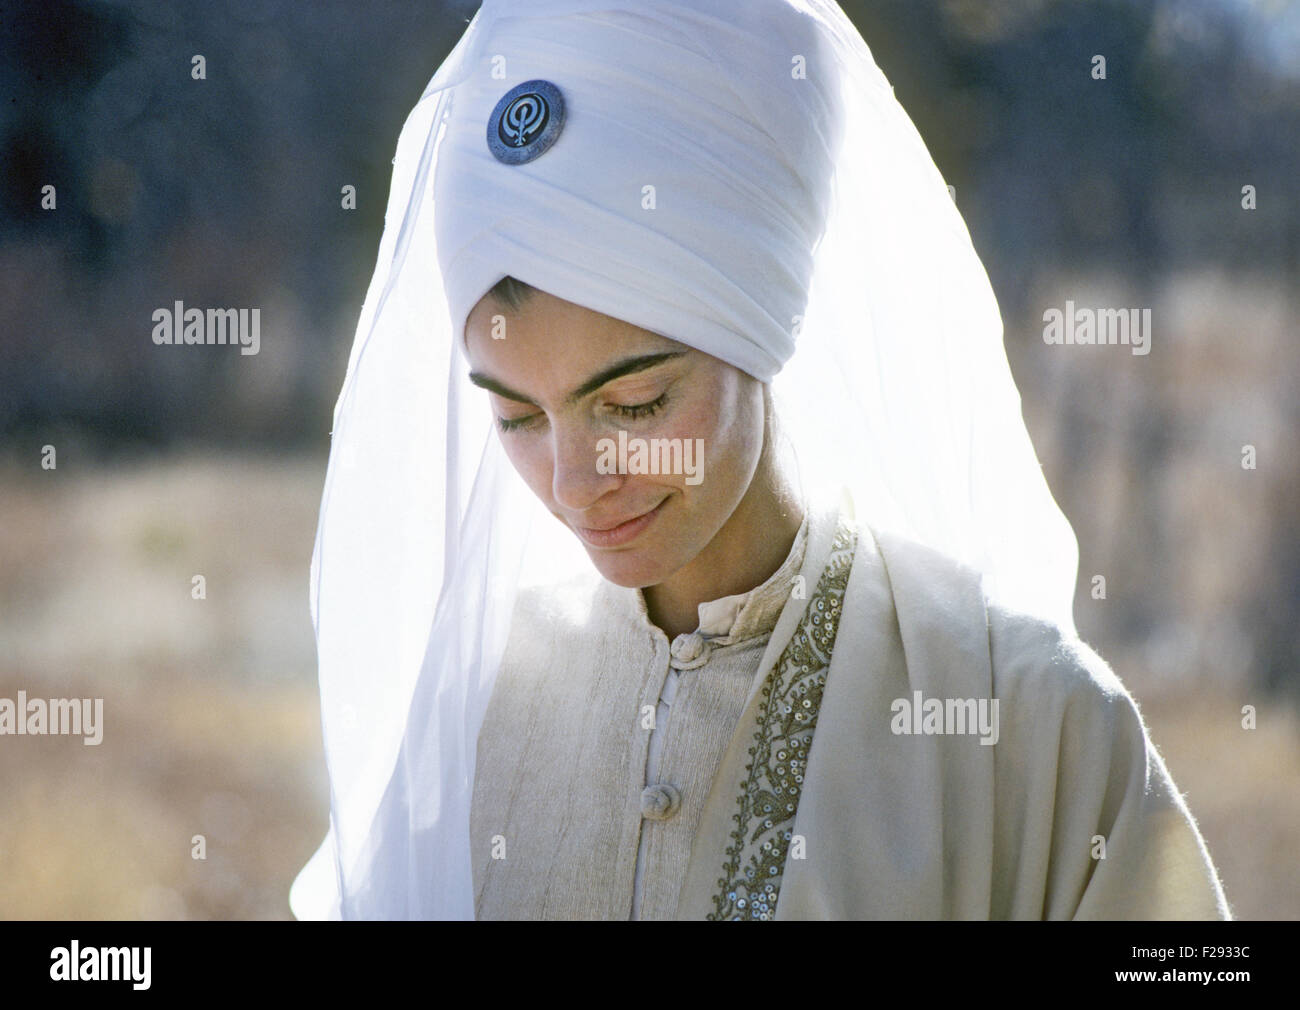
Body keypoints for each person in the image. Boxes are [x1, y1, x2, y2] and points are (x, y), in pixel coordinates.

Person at [290, 0, 1231, 920]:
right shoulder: (474, 705)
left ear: (764, 333)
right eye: (517, 416)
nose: (576, 483)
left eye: (634, 402)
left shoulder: (1029, 729)